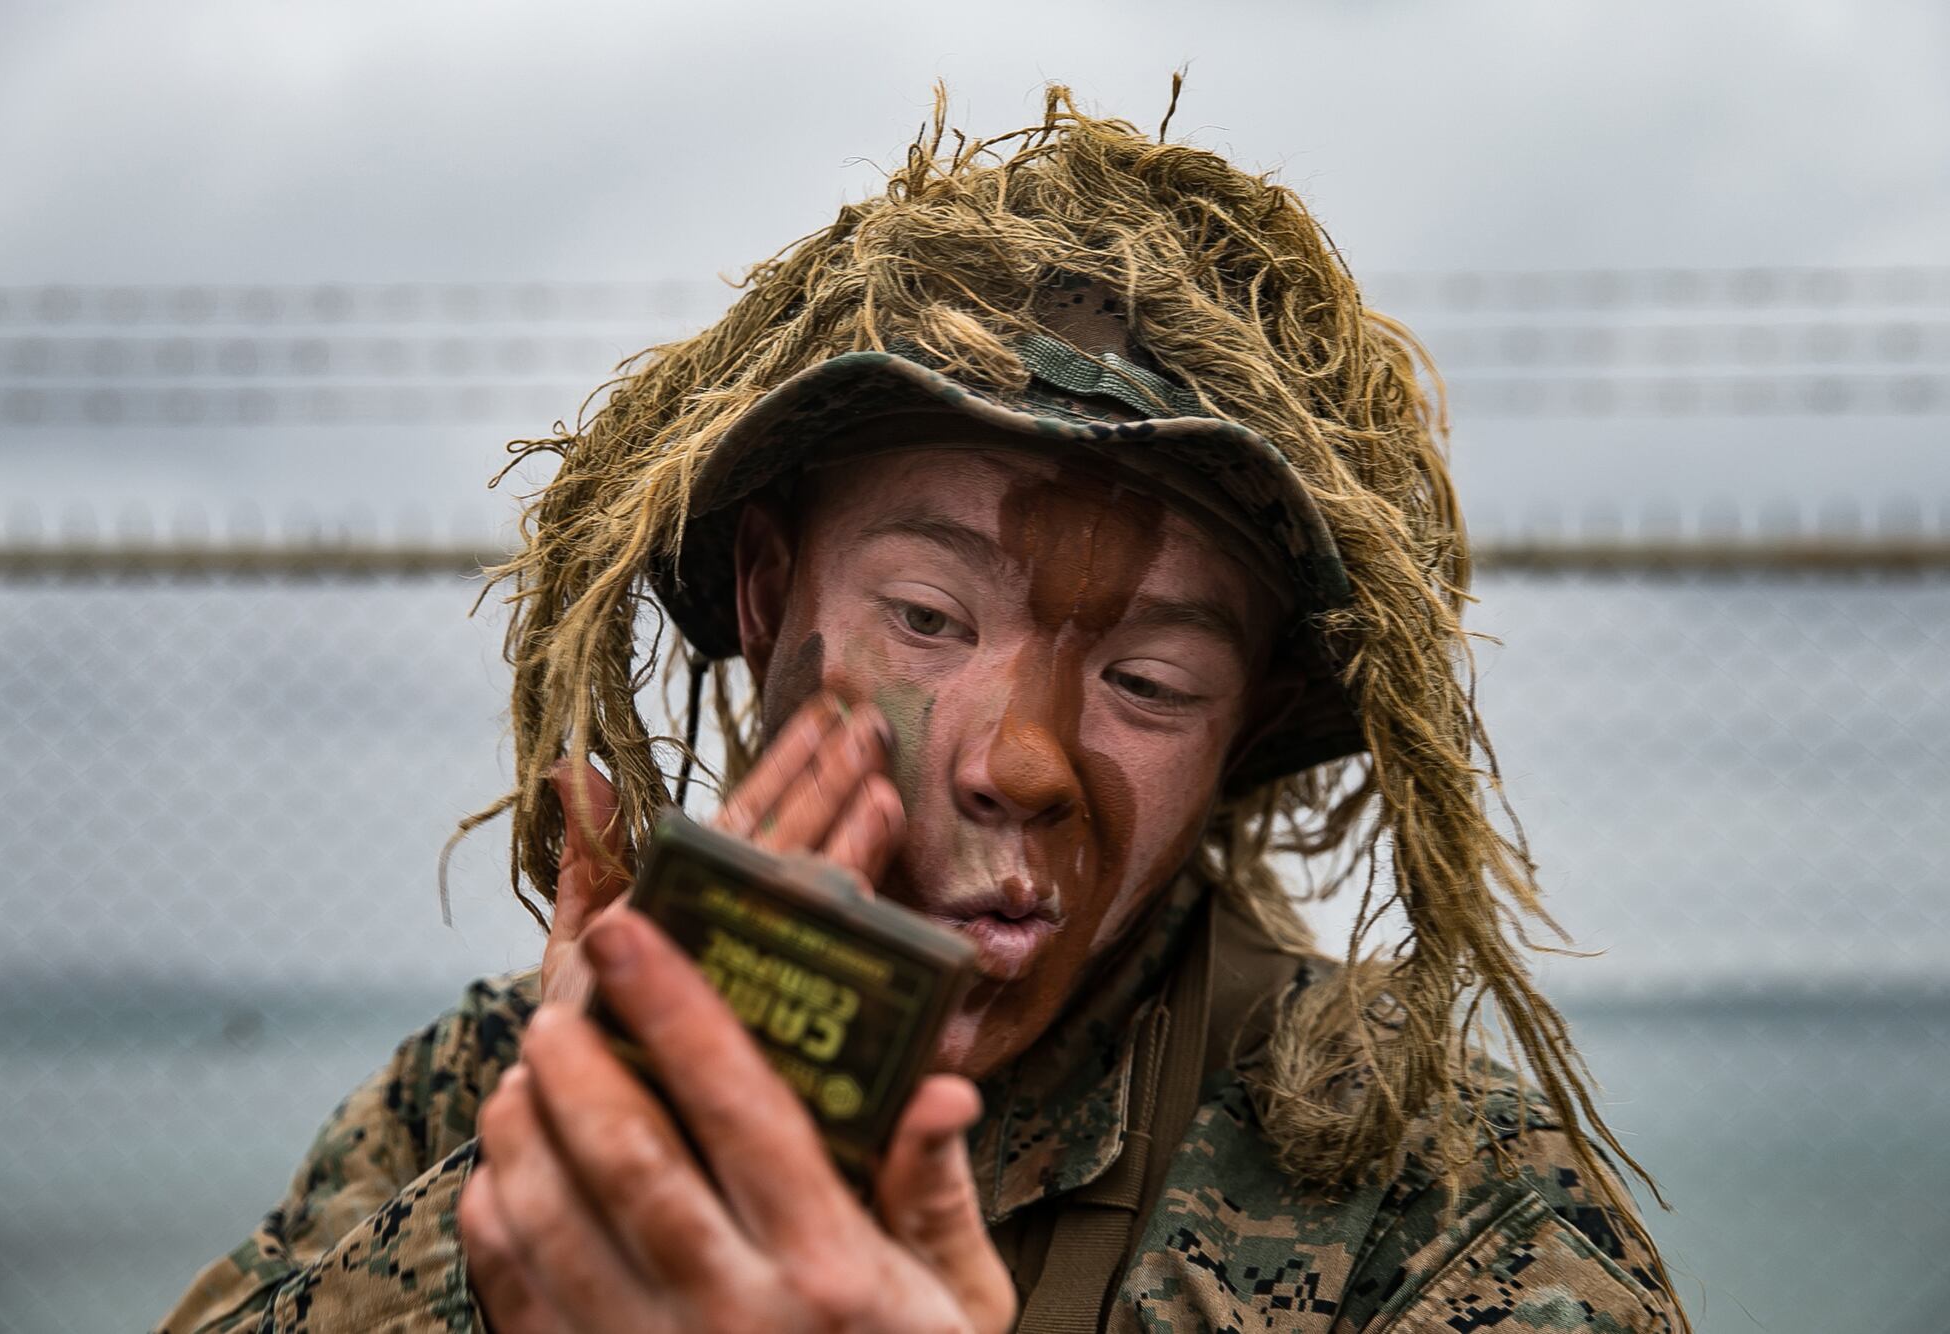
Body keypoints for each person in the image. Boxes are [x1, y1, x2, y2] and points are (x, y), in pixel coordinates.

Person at [158, 84, 1684, 1333]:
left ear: (1244, 727)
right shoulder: (481, 1111)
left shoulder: (1427, 1196)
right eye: (926, 617)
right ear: (766, 600)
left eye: (1150, 682)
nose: (1018, 758)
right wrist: (497, 1276)